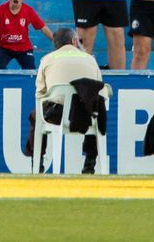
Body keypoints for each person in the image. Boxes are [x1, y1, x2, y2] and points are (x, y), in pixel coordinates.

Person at [31, 27, 108, 175]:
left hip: (57, 116)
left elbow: (40, 93)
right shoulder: (90, 60)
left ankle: (38, 165)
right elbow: (98, 89)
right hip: (86, 115)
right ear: (74, 41)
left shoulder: (47, 59)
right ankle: (89, 165)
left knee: (35, 116)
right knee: (95, 108)